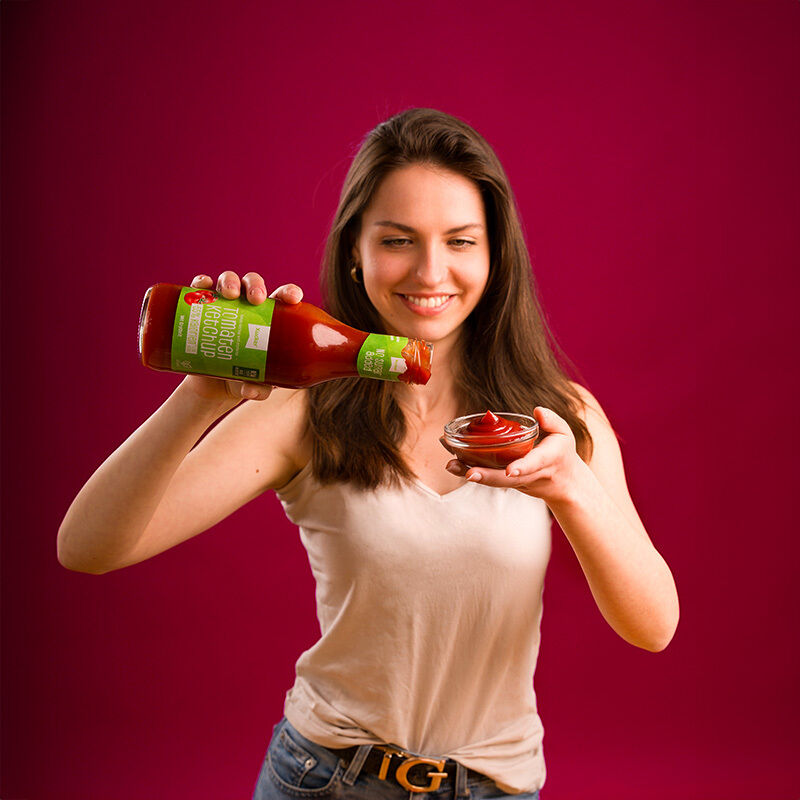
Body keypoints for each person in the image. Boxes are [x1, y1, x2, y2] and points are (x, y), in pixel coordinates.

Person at [58, 108, 679, 799]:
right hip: (325, 779)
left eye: (461, 241)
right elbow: (86, 547)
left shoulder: (557, 418)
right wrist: (200, 397)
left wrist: (570, 486)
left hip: (497, 786)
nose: (430, 271)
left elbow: (654, 626)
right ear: (355, 249)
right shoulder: (304, 405)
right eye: (397, 240)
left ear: (496, 255)